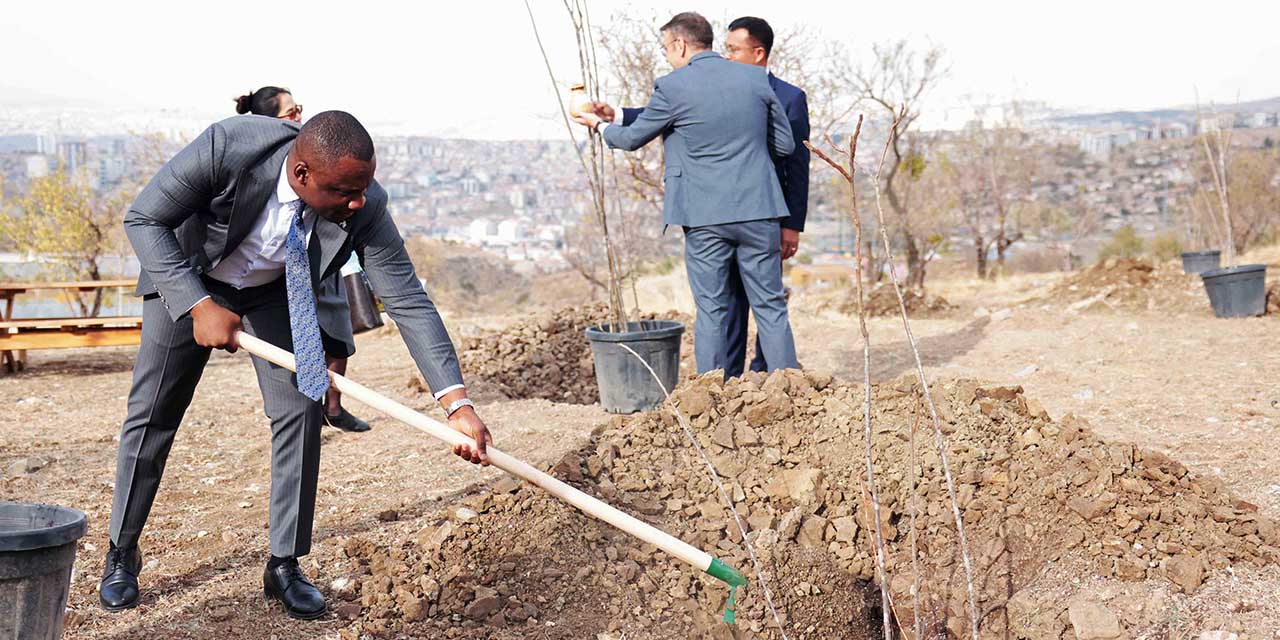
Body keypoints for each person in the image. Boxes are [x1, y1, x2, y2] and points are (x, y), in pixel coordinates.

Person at [99, 111, 492, 620]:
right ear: (302, 174)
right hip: (189, 276)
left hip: (274, 294)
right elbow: (144, 219)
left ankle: (283, 563)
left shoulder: (365, 206)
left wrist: (456, 403)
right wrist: (197, 304)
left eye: (364, 187)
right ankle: (121, 552)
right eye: (345, 190)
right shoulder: (230, 146)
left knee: (303, 407)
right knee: (153, 412)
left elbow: (408, 300)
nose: (357, 201)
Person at [577, 12, 799, 378]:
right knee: (771, 305)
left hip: (705, 215)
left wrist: (600, 125)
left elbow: (632, 139)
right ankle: (793, 390)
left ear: (680, 44)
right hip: (760, 208)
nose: (667, 56)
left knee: (712, 308)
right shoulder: (754, 77)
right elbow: (785, 144)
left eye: (666, 48)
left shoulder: (673, 86)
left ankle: (711, 396)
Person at [235, 86, 369, 432]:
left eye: (299, 110)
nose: (299, 119)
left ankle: (331, 408)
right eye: (291, 113)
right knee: (290, 395)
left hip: (322, 271)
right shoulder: (239, 161)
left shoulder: (335, 178)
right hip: (265, 292)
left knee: (337, 339)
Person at [721, 17, 810, 377]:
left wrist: (792, 225)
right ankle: (727, 379)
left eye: (733, 50)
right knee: (728, 304)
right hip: (720, 215)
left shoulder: (790, 98)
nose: (725, 56)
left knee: (767, 299)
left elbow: (797, 166)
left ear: (759, 53)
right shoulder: (718, 94)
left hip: (768, 216)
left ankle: (769, 374)